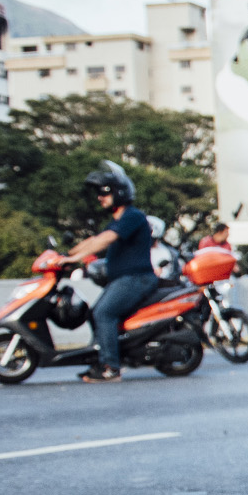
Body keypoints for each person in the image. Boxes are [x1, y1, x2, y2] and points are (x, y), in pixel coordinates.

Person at [62, 162, 158, 383]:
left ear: (120, 193)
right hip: (123, 280)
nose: (100, 198)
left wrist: (73, 259)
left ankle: (111, 368)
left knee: (104, 314)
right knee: (94, 313)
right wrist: (65, 255)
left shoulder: (132, 216)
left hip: (136, 279)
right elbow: (94, 240)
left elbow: (105, 240)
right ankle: (101, 361)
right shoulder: (117, 221)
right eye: (98, 194)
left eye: (105, 193)